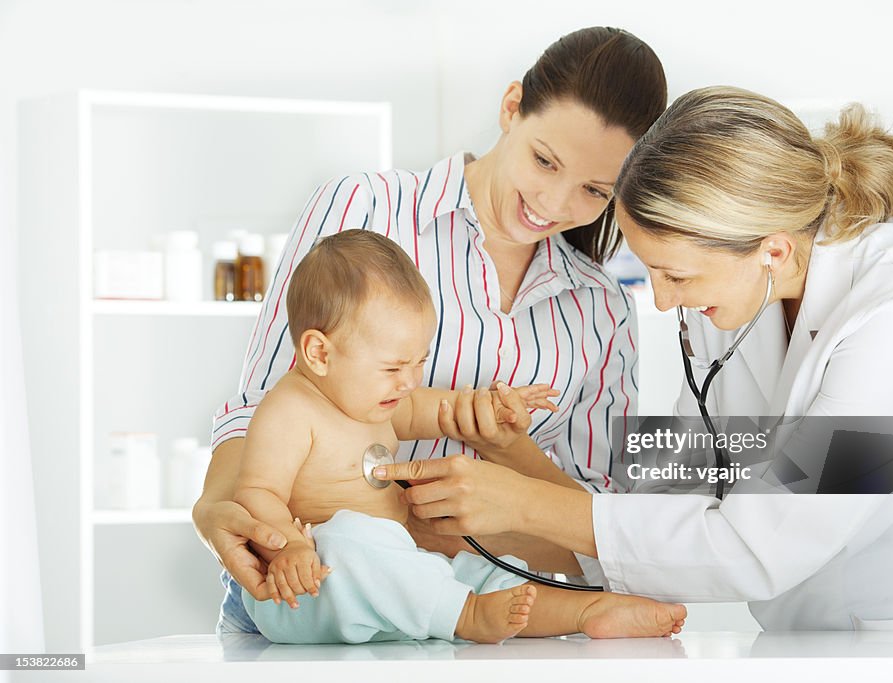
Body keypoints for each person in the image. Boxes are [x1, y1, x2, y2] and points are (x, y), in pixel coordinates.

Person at [374, 87, 893, 631]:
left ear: (771, 249)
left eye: (673, 275)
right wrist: (509, 476)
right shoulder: (735, 297)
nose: (660, 301)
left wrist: (521, 505)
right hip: (806, 635)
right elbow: (666, 509)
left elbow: (757, 540)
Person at [193, 26, 669, 634]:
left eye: (594, 191)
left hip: (492, 611)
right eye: (544, 160)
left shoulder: (601, 309)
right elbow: (264, 406)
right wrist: (220, 507)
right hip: (323, 588)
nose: (552, 202)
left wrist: (509, 454)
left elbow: (601, 530)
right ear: (511, 106)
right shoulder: (366, 210)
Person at [233, 230, 686, 643]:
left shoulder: (374, 398)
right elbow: (256, 492)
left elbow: (435, 409)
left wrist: (488, 407)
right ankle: (467, 614)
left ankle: (587, 610)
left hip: (398, 571)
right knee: (350, 539)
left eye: (418, 362)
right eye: (393, 368)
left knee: (482, 572)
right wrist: (290, 547)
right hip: (311, 586)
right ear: (319, 353)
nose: (409, 381)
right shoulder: (291, 411)